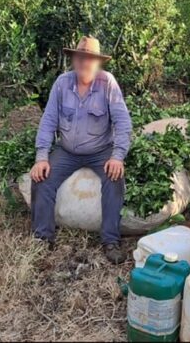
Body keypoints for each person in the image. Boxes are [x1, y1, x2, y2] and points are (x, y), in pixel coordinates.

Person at [30, 36, 133, 264]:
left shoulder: (108, 83)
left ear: (98, 63)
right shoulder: (62, 83)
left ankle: (110, 241)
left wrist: (117, 156)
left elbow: (123, 122)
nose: (84, 62)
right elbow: (48, 121)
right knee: (41, 178)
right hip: (66, 151)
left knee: (115, 180)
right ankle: (42, 238)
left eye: (90, 59)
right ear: (74, 59)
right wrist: (41, 157)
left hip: (100, 150)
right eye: (80, 57)